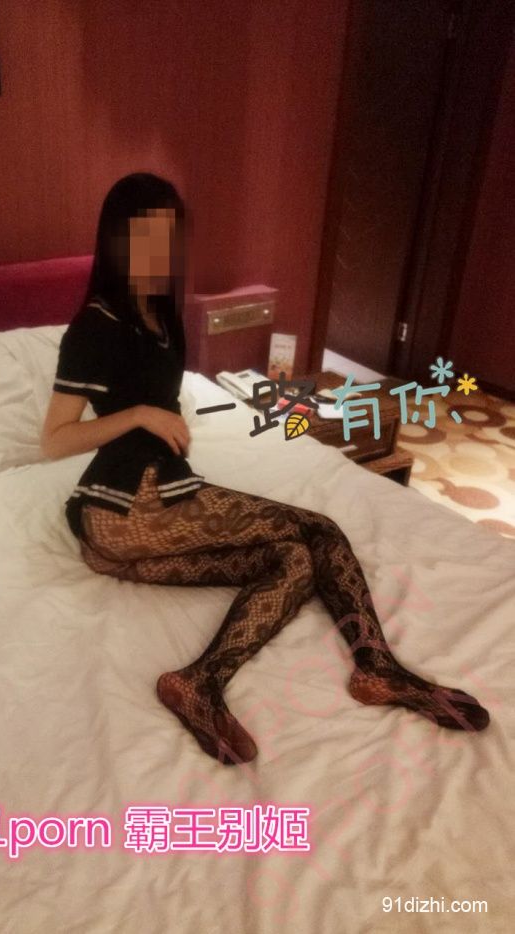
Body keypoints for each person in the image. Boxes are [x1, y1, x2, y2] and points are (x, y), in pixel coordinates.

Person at [41, 172, 489, 766]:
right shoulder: (95, 326)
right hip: (125, 505)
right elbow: (53, 440)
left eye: (168, 237)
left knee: (294, 559)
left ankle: (198, 681)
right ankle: (377, 668)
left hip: (151, 508)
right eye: (143, 237)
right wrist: (141, 414)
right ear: (116, 241)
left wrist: (164, 417)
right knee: (320, 529)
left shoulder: (162, 317)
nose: (158, 253)